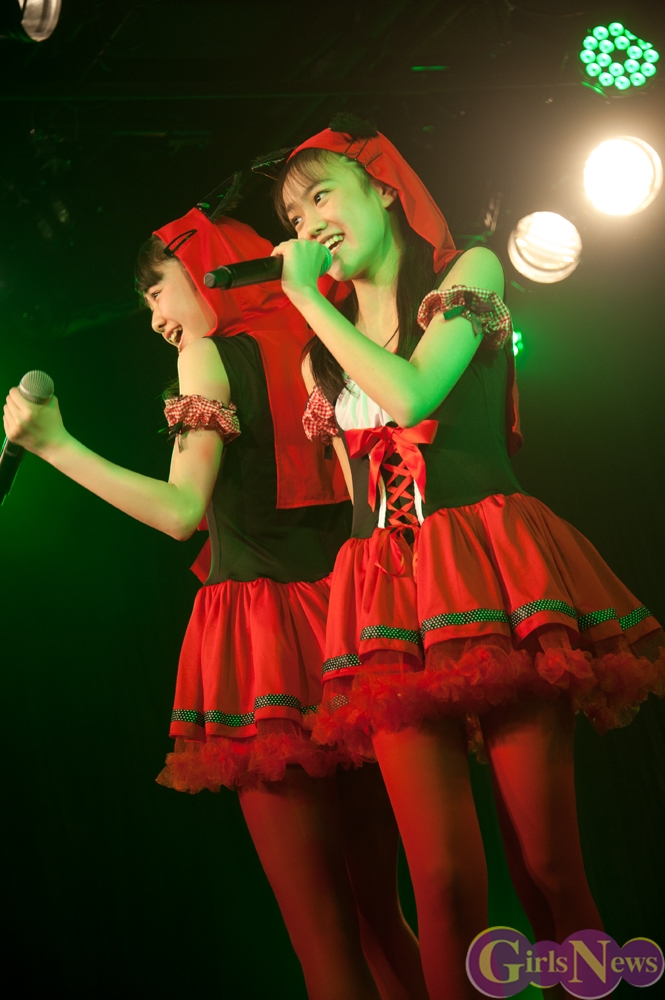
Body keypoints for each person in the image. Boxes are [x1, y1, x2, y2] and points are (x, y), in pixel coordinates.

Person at [261, 113, 665, 1000]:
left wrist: (305, 303)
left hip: (488, 568)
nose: (308, 223)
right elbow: (358, 497)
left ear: (383, 191)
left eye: (320, 195)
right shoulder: (321, 358)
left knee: (547, 866)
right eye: (293, 217)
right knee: (440, 882)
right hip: (389, 599)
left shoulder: (470, 272)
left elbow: (412, 395)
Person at [3, 200, 428, 1000]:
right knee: (384, 916)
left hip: (264, 639)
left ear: (205, 268)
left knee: (321, 933)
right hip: (348, 626)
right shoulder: (320, 347)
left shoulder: (208, 354)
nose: (155, 317)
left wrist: (54, 445)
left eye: (157, 289)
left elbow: (179, 512)